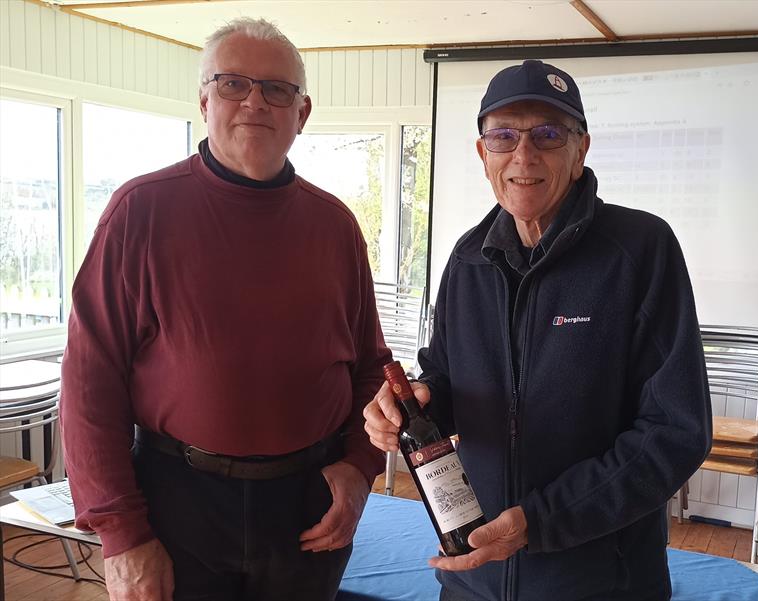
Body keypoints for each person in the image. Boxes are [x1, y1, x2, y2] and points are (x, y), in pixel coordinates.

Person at [61, 17, 390, 601]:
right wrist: (120, 534)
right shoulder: (139, 212)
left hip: (307, 504)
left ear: (302, 113)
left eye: (277, 89)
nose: (255, 102)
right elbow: (90, 383)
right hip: (175, 501)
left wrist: (360, 468)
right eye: (234, 83)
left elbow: (369, 366)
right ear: (205, 100)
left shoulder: (334, 226)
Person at [364, 59, 712, 601]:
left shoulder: (641, 250)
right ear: (483, 154)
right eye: (503, 136)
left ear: (580, 151)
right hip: (473, 577)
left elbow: (675, 431)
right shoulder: (467, 259)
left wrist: (540, 520)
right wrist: (415, 405)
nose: (523, 156)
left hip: (600, 583)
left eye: (547, 135)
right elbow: (446, 379)